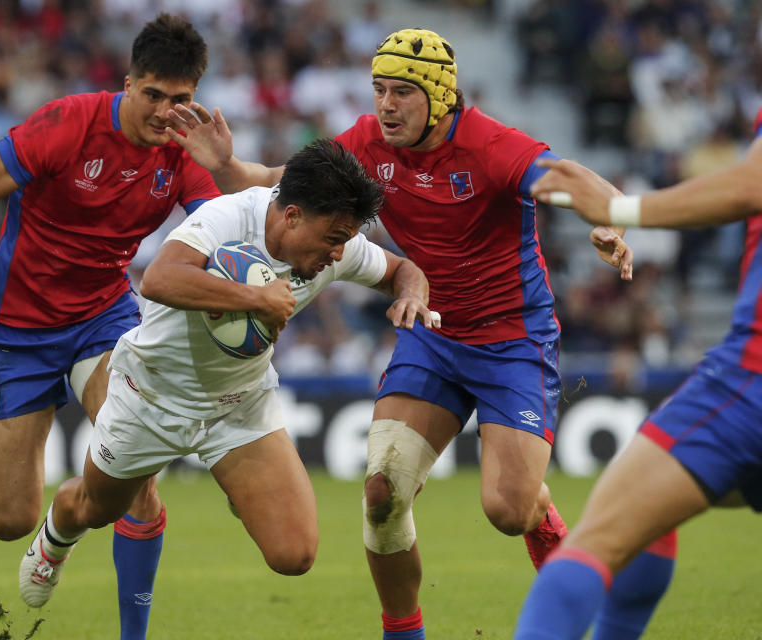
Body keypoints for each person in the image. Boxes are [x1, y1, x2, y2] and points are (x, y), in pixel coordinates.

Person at [162, 28, 634, 639]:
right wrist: (224, 165)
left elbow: (566, 174)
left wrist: (612, 218)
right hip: (431, 332)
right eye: (379, 89)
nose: (385, 105)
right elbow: (280, 183)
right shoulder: (366, 143)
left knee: (508, 510)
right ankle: (402, 632)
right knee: (382, 495)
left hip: (512, 341)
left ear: (440, 98)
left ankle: (540, 510)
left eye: (402, 93)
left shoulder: (490, 145)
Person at [19, 138, 440, 611]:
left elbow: (403, 269)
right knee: (96, 509)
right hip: (150, 397)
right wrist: (257, 299)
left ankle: (235, 481)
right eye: (332, 239)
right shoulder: (228, 218)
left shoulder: (338, 243)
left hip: (238, 404)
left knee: (294, 554)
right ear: (292, 215)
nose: (339, 253)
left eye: (345, 239)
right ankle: (55, 538)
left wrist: (411, 296)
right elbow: (158, 280)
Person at [0, 14, 219, 639]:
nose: (164, 111)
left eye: (179, 99)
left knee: (135, 469)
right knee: (7, 519)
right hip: (17, 331)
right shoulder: (67, 123)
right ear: (128, 83)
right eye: (152, 94)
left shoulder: (186, 150)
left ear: (195, 96)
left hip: (105, 318)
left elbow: (223, 229)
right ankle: (53, 533)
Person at [511, 108, 762, 640]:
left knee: (598, 540)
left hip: (752, 382)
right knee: (653, 516)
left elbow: (750, 185)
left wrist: (620, 207)